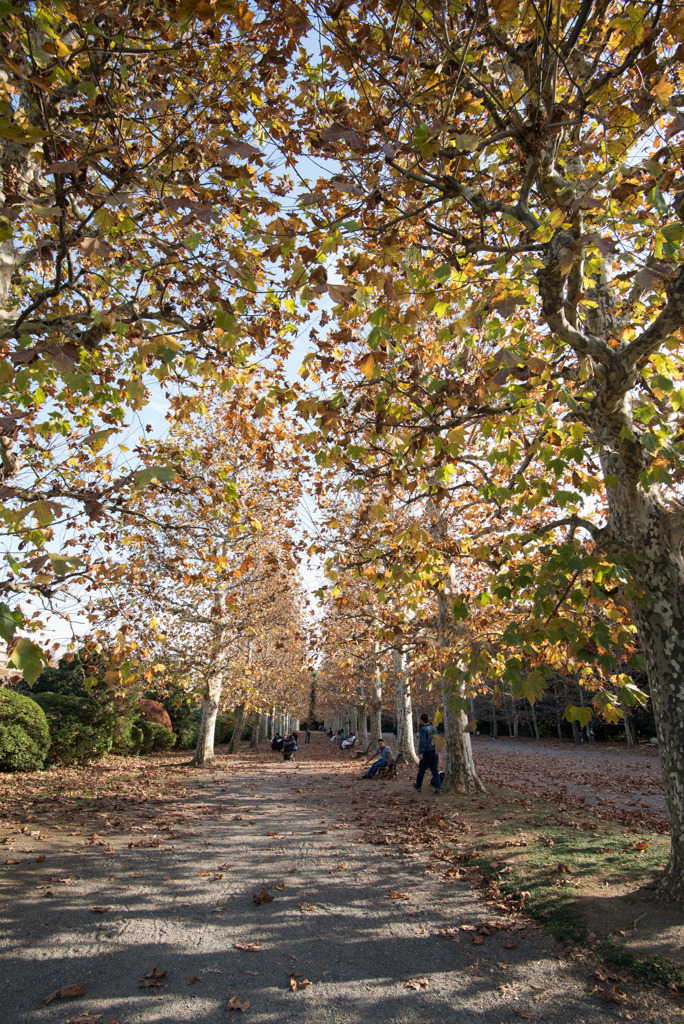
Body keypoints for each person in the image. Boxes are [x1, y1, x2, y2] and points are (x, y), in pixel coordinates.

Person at [414, 714, 441, 794]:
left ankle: (418, 785)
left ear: (422, 720)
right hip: (434, 752)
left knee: (421, 770)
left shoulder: (423, 729)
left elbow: (422, 742)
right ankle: (438, 788)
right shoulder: (434, 729)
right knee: (435, 771)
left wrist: (420, 752)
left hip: (426, 752)